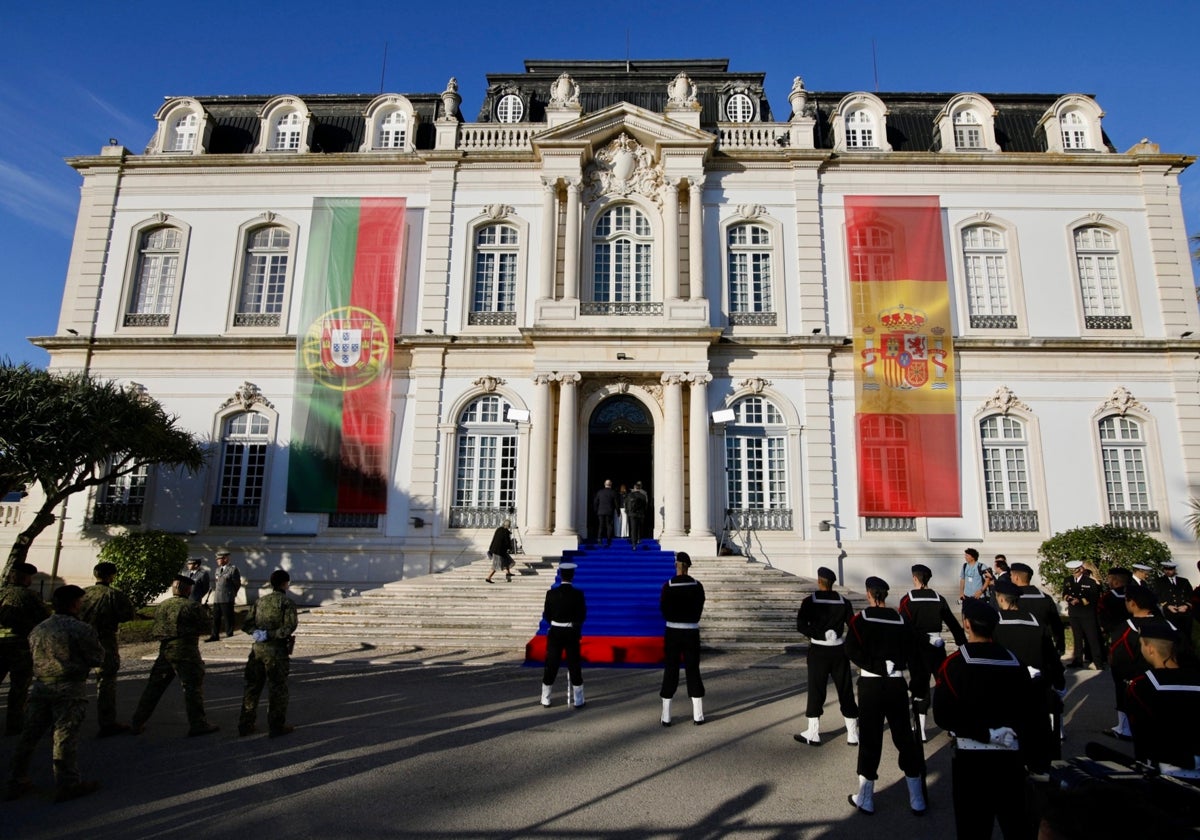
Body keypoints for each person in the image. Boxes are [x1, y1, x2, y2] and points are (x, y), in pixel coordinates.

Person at [933, 598, 1041, 840]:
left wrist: (983, 733)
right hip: (1011, 756)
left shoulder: (955, 663)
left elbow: (943, 715)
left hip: (971, 759)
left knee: (973, 828)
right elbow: (1030, 711)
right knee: (1016, 825)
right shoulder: (1016, 663)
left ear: (967, 624)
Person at [3, 585, 104, 803]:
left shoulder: (39, 628)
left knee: (29, 735)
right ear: (75, 604)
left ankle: (16, 779)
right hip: (69, 688)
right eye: (81, 601)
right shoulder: (81, 629)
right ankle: (68, 783)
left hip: (41, 687)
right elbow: (97, 658)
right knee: (64, 736)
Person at [844, 576, 925, 816]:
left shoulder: (861, 620)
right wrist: (918, 688)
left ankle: (866, 798)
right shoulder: (902, 620)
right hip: (897, 684)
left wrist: (875, 665)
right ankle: (916, 797)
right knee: (904, 739)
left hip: (871, 684)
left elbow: (851, 649)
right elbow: (914, 654)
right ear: (885, 595)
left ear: (869, 593)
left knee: (870, 739)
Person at [129, 575, 219, 737]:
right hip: (186, 650)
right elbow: (206, 628)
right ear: (188, 590)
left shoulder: (163, 605)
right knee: (192, 688)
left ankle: (137, 721)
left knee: (154, 687)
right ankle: (198, 723)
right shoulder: (192, 606)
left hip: (165, 649)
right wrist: (207, 614)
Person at [992, 578, 1063, 765]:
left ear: (1000, 599)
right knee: (1036, 743)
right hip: (1035, 690)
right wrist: (1059, 681)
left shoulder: (995, 622)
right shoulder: (1035, 621)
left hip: (1004, 693)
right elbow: (1051, 655)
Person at [898, 563, 966, 743]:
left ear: (915, 578)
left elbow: (904, 626)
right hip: (937, 648)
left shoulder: (908, 599)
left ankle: (920, 728)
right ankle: (952, 726)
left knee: (920, 687)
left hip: (918, 649)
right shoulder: (939, 598)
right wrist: (962, 644)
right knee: (944, 685)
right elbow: (952, 623)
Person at [1125, 622, 1200, 778]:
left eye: (1142, 645)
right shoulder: (1196, 677)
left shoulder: (1141, 685)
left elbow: (1141, 734)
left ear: (1150, 648)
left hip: (1164, 770)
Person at [795, 566, 858, 745]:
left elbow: (801, 625)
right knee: (845, 690)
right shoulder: (844, 602)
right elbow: (853, 626)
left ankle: (813, 733)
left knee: (816, 690)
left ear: (819, 581)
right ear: (832, 583)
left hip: (819, 650)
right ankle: (852, 733)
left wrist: (818, 634)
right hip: (839, 650)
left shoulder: (810, 601)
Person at [78, 562, 135, 737]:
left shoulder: (82, 593)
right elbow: (127, 615)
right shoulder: (113, 595)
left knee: (75, 681)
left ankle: (62, 720)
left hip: (80, 639)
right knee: (106, 682)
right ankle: (107, 722)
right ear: (111, 576)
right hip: (104, 640)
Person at [239, 569, 298, 738]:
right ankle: (276, 725)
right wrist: (272, 635)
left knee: (252, 687)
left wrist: (257, 633)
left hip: (257, 649)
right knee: (277, 688)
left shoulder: (260, 601)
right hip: (276, 650)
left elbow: (246, 624)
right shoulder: (286, 602)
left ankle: (245, 723)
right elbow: (289, 627)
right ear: (285, 583)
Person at [1106, 585, 1169, 741]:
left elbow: (1118, 657)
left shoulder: (1127, 628)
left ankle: (1124, 728)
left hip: (1136, 679)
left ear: (1132, 603)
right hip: (1167, 677)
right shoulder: (1168, 624)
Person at [0, 562, 51, 735]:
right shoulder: (29, 596)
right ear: (25, 578)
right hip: (19, 647)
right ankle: (14, 724)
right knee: (19, 687)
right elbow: (45, 618)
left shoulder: (1, 592)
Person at [659, 552, 706, 726]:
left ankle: (666, 716)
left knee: (671, 671)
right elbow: (700, 606)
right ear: (687, 566)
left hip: (673, 632)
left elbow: (663, 609)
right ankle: (698, 715)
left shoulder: (668, 586)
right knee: (693, 670)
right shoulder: (697, 586)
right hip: (691, 632)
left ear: (677, 566)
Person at [540, 562, 586, 708]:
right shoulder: (578, 594)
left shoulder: (551, 593)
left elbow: (546, 614)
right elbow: (582, 615)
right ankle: (578, 699)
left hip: (555, 632)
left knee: (551, 664)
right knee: (574, 665)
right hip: (571, 632)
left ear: (560, 575)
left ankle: (545, 697)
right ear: (572, 576)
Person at [1009, 562, 1065, 657]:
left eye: (1010, 576)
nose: (1010, 578)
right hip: (1043, 644)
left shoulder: (1012, 598)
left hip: (1020, 646)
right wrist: (1060, 645)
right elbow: (1056, 623)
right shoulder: (1045, 597)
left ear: (1016, 578)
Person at [1063, 559, 1105, 669]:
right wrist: (1069, 599)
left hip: (1086, 613)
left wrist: (1080, 601)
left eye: (1076, 571)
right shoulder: (1068, 580)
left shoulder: (1089, 582)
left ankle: (1098, 662)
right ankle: (1077, 660)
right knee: (1077, 638)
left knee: (1092, 638)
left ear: (1081, 570)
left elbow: (1094, 597)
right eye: (1072, 572)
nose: (1074, 574)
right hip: (1074, 613)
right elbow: (1065, 593)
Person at [1152, 560, 1193, 641]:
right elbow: (1156, 596)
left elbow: (1191, 595)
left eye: (1170, 569)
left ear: (1174, 570)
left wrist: (1186, 605)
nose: (1168, 571)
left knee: (1186, 636)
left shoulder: (1184, 581)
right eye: (1165, 569)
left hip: (1185, 613)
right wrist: (1167, 605)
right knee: (1172, 637)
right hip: (1169, 613)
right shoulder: (1159, 582)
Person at [206, 549, 241, 640]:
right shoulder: (217, 570)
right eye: (217, 559)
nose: (217, 560)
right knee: (216, 618)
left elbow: (237, 583)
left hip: (227, 597)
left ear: (225, 559)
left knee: (228, 617)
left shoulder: (233, 569)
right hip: (217, 597)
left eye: (219, 559)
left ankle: (229, 634)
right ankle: (214, 635)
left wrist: (232, 593)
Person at [593, 480, 619, 548]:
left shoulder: (600, 492)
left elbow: (595, 502)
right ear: (611, 484)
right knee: (609, 526)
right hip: (609, 511)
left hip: (600, 511)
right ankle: (608, 539)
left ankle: (599, 539)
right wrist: (618, 512)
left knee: (601, 525)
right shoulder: (613, 492)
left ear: (605, 484)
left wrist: (596, 510)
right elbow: (616, 503)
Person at [625, 481, 649, 550]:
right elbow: (645, 506)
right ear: (640, 488)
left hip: (632, 514)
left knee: (633, 529)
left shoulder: (629, 495)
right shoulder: (643, 496)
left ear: (634, 488)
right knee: (639, 528)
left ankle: (634, 545)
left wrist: (628, 512)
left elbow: (626, 504)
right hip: (640, 514)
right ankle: (638, 539)